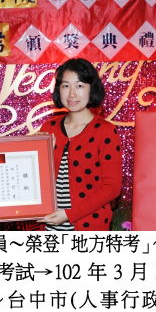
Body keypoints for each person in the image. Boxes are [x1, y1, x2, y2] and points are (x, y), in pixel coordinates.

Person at [38, 58, 122, 231]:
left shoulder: (105, 131)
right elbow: (35, 179)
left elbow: (112, 187)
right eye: (65, 85)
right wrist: (39, 154)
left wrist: (69, 214)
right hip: (48, 226)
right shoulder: (48, 129)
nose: (72, 94)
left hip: (88, 226)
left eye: (79, 85)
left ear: (92, 89)